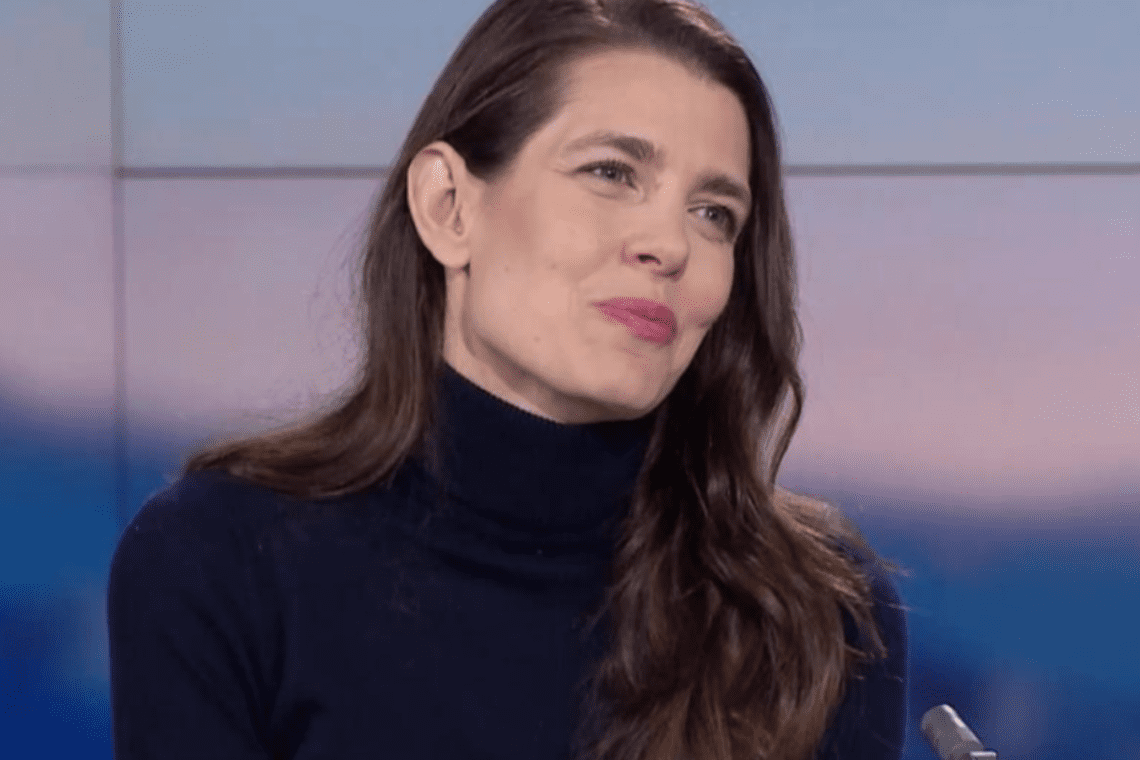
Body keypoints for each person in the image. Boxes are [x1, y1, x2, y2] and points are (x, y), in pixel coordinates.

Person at [106, 0, 910, 758]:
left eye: (714, 214)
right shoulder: (219, 562)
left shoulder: (815, 612)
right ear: (448, 206)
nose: (670, 244)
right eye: (611, 172)